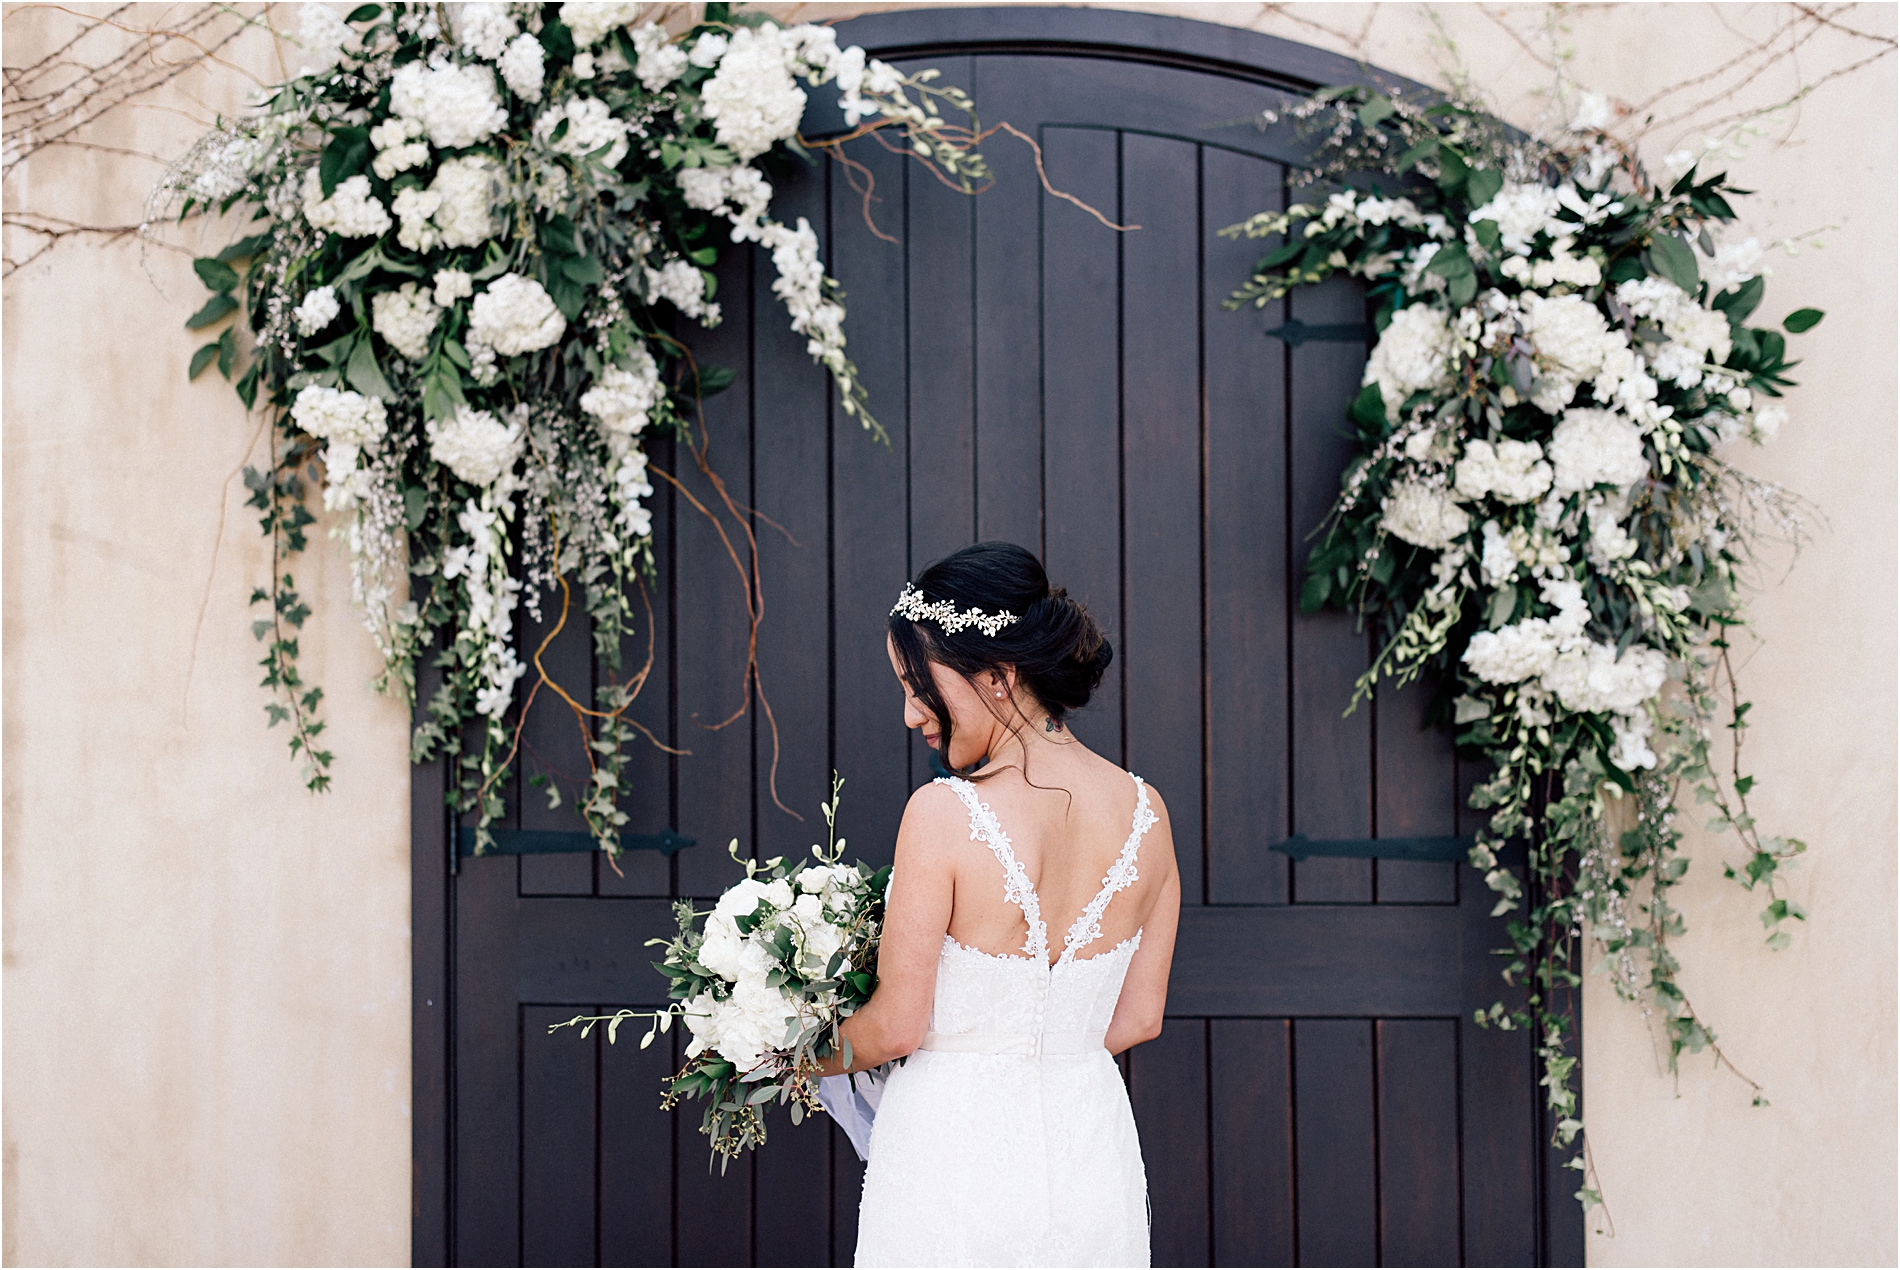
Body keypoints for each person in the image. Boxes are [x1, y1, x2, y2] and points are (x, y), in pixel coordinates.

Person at [817, 541, 1181, 1268]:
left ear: (999, 676)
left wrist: (782, 1061)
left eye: (922, 684)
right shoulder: (1149, 813)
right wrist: (1040, 1057)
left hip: (953, 1162)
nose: (912, 711)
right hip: (1091, 1159)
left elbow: (894, 1026)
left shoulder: (942, 814)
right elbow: (1140, 1017)